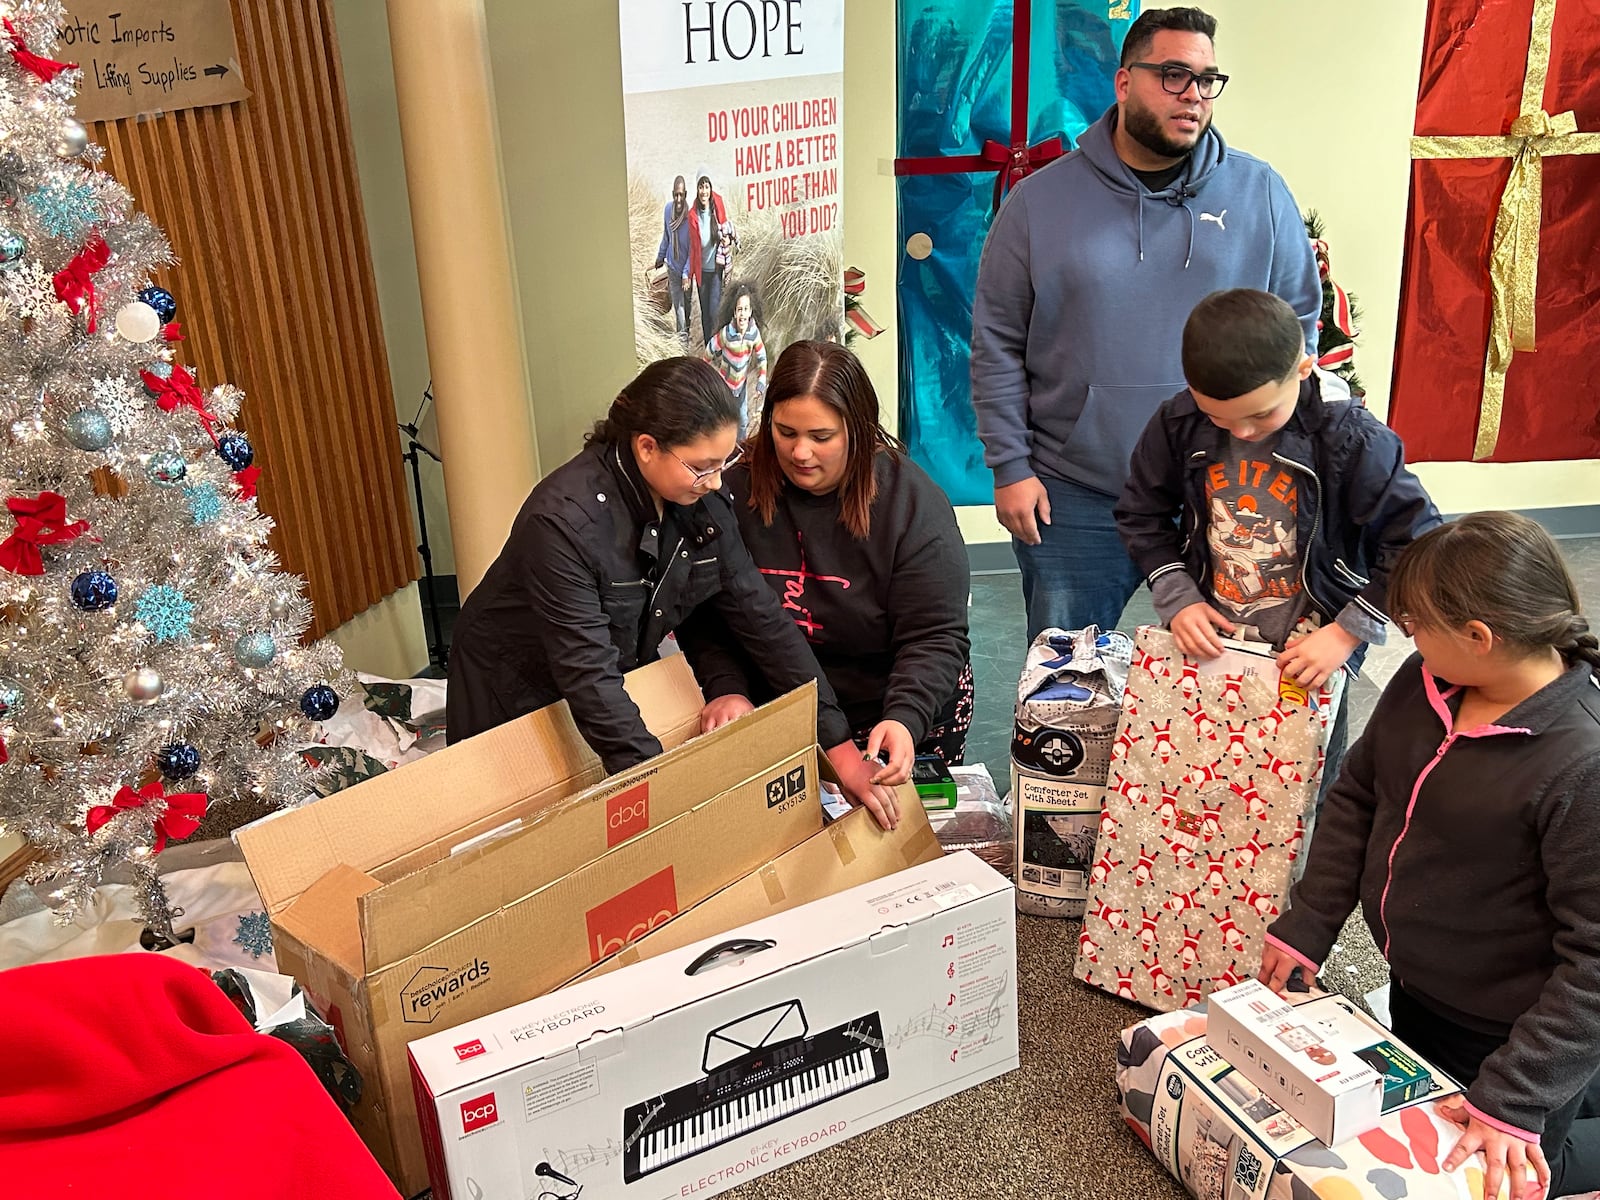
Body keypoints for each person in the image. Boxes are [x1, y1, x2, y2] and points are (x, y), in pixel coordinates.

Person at [1258, 511, 1600, 1200]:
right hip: (1423, 992)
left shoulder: (1582, 762)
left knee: (1514, 1173)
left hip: (1512, 1024)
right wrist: (1310, 924)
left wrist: (1517, 1096)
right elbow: (1358, 793)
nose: (1407, 639)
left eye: (1417, 627)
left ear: (1480, 637)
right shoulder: (1428, 681)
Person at [970, 5, 1320, 640]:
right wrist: (1010, 467)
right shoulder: (1038, 203)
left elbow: (1298, 325)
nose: (1194, 95)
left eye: (1208, 79)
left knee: (1234, 687)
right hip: (1076, 493)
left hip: (1230, 490)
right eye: (1174, 75)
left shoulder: (1260, 193)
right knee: (1065, 690)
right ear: (1125, 82)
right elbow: (996, 341)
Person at [445, 356, 898, 830]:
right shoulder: (563, 521)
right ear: (646, 447)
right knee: (515, 836)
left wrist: (839, 748)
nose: (718, 482)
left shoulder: (698, 500)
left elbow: (761, 617)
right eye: (702, 467)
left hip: (598, 676)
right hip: (509, 679)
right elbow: (589, 675)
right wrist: (663, 793)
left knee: (597, 822)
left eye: (725, 462)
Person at [679, 341, 972, 783]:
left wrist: (905, 718)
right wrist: (726, 688)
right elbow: (706, 611)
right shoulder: (730, 489)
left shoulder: (911, 504)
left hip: (893, 706)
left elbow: (935, 634)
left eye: (821, 437)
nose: (800, 453)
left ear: (857, 430)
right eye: (786, 432)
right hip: (778, 703)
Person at [1116, 289, 1440, 687]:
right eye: (1216, 416)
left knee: (1311, 749)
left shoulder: (1354, 441)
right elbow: (1141, 513)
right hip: (1210, 634)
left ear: (1303, 368)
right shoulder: (1177, 421)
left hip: (1314, 645)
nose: (1242, 432)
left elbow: (1416, 543)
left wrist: (1347, 632)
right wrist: (1177, 598)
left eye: (1261, 413)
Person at [705, 281, 768, 437]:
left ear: (751, 312)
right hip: (725, 386)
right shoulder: (726, 334)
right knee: (725, 421)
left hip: (741, 387)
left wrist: (760, 383)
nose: (742, 314)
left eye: (746, 309)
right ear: (734, 313)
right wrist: (704, 373)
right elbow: (709, 350)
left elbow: (762, 359)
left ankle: (741, 452)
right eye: (739, 309)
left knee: (743, 421)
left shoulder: (753, 334)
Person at [685, 171, 731, 346]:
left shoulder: (717, 204)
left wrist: (727, 240)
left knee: (714, 312)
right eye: (701, 187)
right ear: (697, 189)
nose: (704, 191)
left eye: (706, 186)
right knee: (705, 314)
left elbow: (725, 228)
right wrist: (688, 275)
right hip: (701, 272)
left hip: (716, 269)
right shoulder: (692, 216)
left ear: (710, 188)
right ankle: (709, 348)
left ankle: (718, 346)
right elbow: (692, 249)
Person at [652, 175, 693, 347]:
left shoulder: (691, 218)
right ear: (672, 194)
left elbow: (693, 251)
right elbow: (666, 236)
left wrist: (686, 274)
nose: (678, 199)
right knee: (679, 308)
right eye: (675, 195)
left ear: (685, 195)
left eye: (681, 195)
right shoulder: (668, 210)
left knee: (688, 305)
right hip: (672, 267)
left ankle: (687, 335)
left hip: (686, 271)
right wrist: (660, 257)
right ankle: (682, 344)